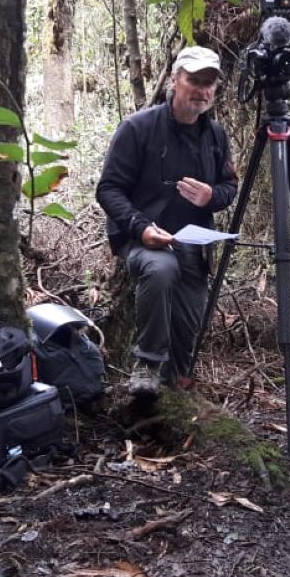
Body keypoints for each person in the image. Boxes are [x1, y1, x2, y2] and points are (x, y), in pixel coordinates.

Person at [96, 46, 238, 397]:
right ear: (175, 80)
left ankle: (172, 395)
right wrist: (141, 228)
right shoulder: (138, 128)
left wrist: (211, 196)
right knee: (160, 270)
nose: (202, 90)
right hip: (145, 239)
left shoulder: (215, 135)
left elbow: (229, 186)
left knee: (187, 332)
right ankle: (146, 364)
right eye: (194, 80)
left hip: (193, 245)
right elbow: (109, 189)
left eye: (209, 83)